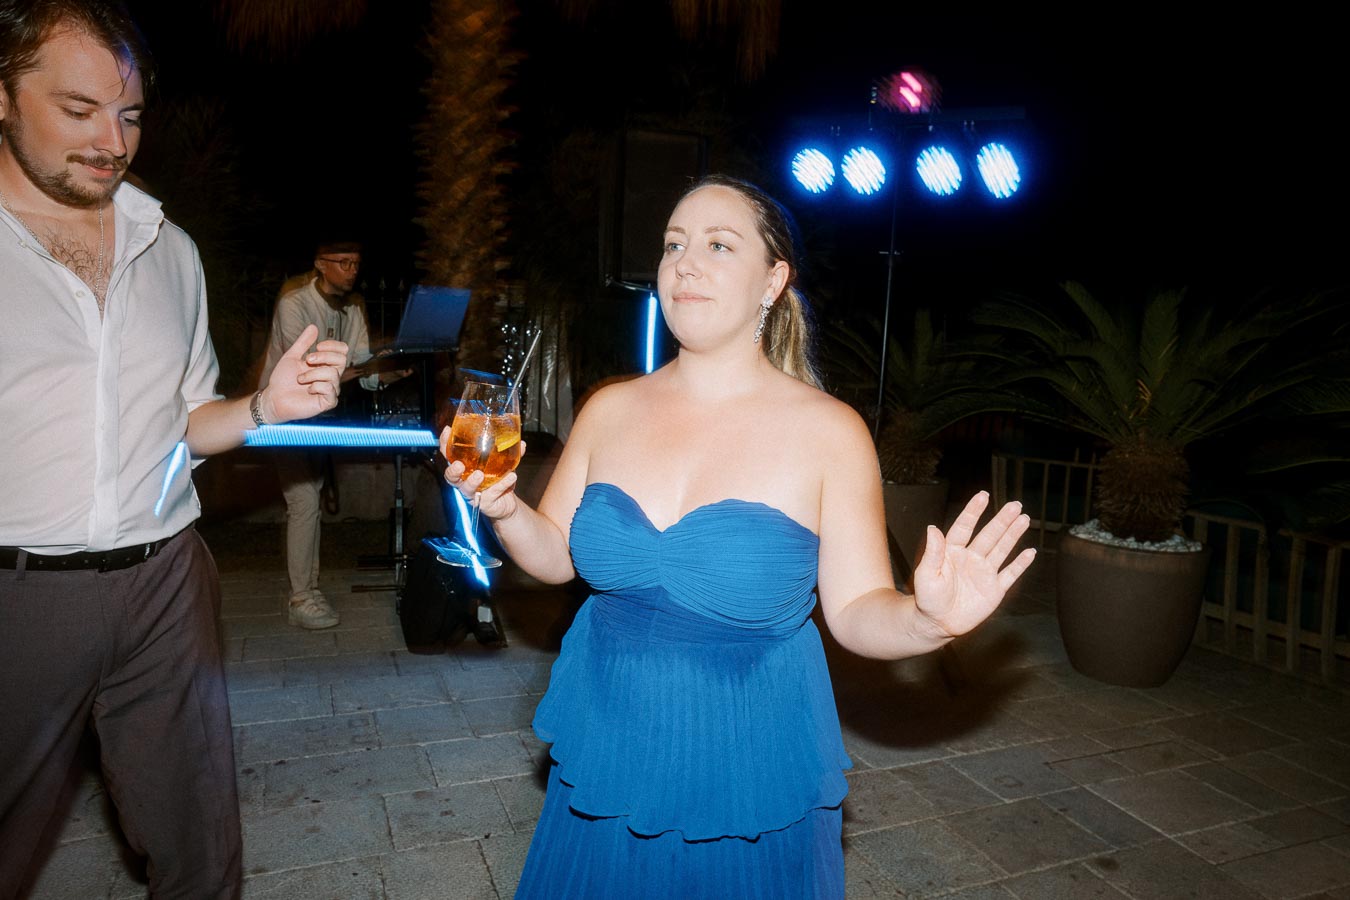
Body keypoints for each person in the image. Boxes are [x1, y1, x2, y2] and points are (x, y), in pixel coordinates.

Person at [443, 174, 1038, 896]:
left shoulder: (828, 431)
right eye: (672, 245)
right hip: (611, 736)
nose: (684, 263)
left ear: (773, 280)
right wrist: (504, 509)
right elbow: (558, 557)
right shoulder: (609, 408)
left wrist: (925, 620)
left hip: (744, 758)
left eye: (718, 245)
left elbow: (854, 612)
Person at [0, 2, 350, 896]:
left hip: (164, 583)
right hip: (19, 597)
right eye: (78, 111)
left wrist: (262, 404)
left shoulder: (171, 250)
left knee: (200, 852)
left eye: (128, 114)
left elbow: (188, 422)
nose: (110, 140)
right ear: (2, 96)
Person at [259, 239, 412, 629]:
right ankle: (301, 597)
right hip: (279, 416)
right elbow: (305, 372)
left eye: (356, 263)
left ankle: (308, 589)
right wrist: (364, 370)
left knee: (307, 504)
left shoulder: (354, 307)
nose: (351, 270)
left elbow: (361, 364)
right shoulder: (295, 304)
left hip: (316, 417)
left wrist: (391, 372)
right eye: (343, 263)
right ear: (320, 265)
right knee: (306, 501)